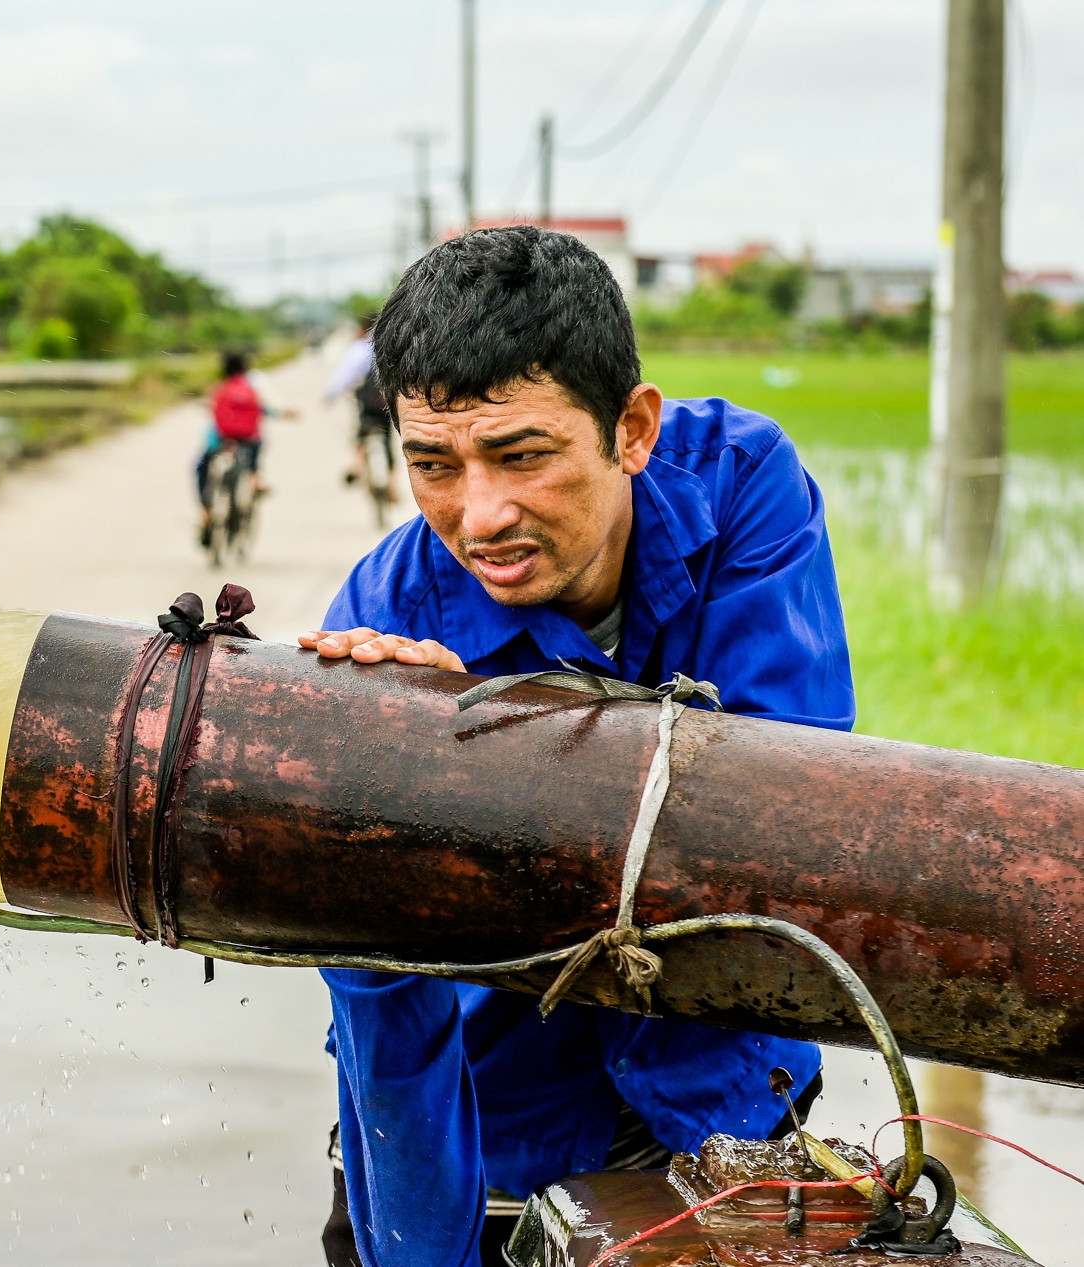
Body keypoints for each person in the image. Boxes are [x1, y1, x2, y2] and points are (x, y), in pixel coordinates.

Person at [298, 225, 845, 1267]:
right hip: (485, 1112)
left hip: (717, 1106)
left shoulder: (739, 488)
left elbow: (783, 807)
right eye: (432, 464)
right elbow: (380, 1003)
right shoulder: (381, 620)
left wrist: (482, 753)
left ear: (631, 428)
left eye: (521, 454)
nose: (479, 514)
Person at [196, 350, 292, 547]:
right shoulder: (253, 385)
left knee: (200, 467)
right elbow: (265, 409)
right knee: (256, 450)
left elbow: (211, 410)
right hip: (249, 440)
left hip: (222, 440)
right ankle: (255, 479)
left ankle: (205, 512)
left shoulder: (220, 388)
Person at [324, 314, 396, 499]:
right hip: (387, 402)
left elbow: (344, 376)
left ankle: (356, 466)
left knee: (361, 434)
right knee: (388, 441)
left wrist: (331, 396)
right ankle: (392, 484)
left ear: (363, 328)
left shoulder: (358, 348)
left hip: (366, 403)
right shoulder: (391, 344)